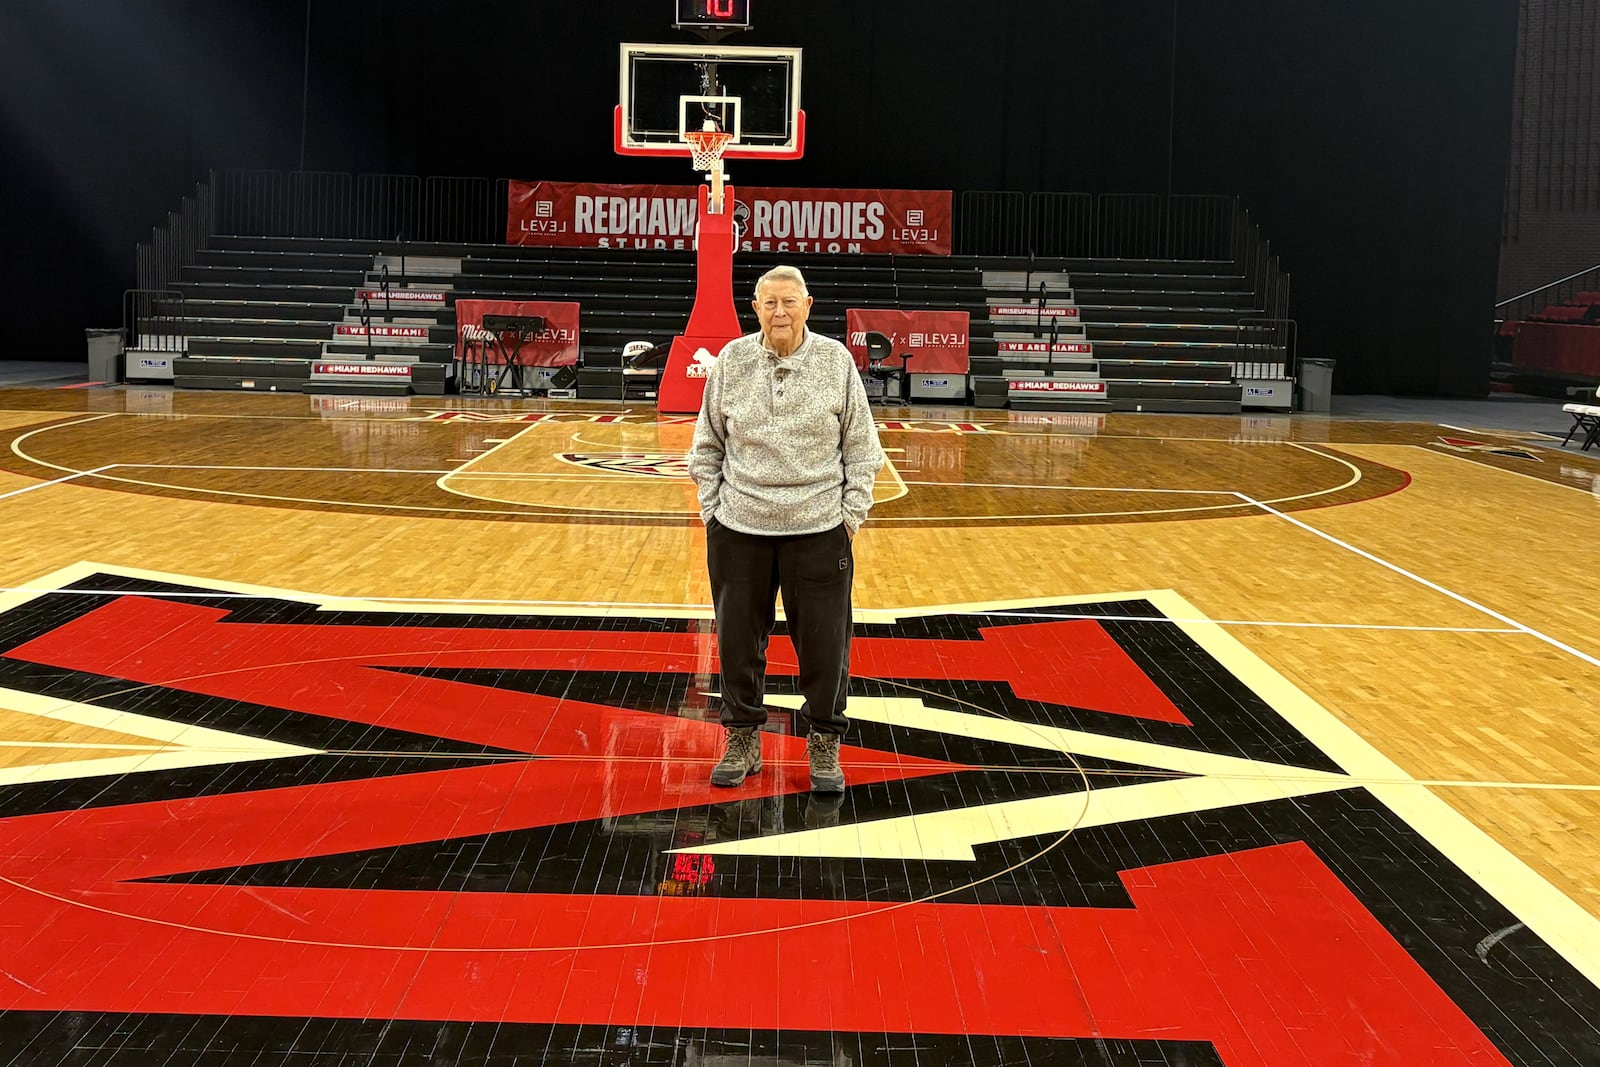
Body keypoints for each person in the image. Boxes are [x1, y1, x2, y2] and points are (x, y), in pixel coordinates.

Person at [687, 265, 885, 793]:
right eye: (769, 303)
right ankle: (744, 737)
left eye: (789, 302)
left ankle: (824, 742)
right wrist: (714, 511)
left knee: (825, 646)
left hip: (819, 528)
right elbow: (706, 447)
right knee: (736, 642)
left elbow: (863, 449)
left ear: (807, 305)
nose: (780, 312)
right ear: (755, 308)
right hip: (738, 528)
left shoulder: (835, 361)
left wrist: (849, 518)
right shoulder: (731, 361)